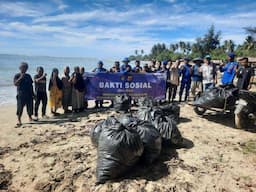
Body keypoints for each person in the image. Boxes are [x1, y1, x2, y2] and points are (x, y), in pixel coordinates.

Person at [14, 62, 34, 126]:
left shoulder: (28, 76)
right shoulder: (17, 75)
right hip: (21, 94)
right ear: (20, 68)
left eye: (25, 67)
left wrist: (33, 94)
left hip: (29, 94)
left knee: (30, 107)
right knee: (20, 108)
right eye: (23, 67)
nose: (24, 69)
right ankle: (19, 119)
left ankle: (30, 117)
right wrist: (21, 77)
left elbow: (31, 85)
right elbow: (15, 84)